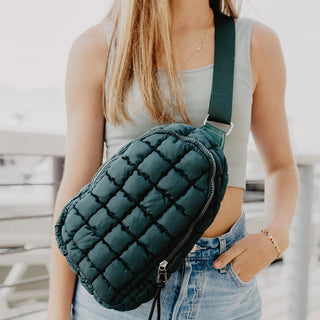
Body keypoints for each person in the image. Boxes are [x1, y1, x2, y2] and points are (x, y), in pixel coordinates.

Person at [46, 0, 300, 319]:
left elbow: (281, 167)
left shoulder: (255, 43)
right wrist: (56, 311)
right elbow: (77, 187)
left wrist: (275, 238)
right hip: (119, 281)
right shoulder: (98, 47)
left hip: (221, 282)